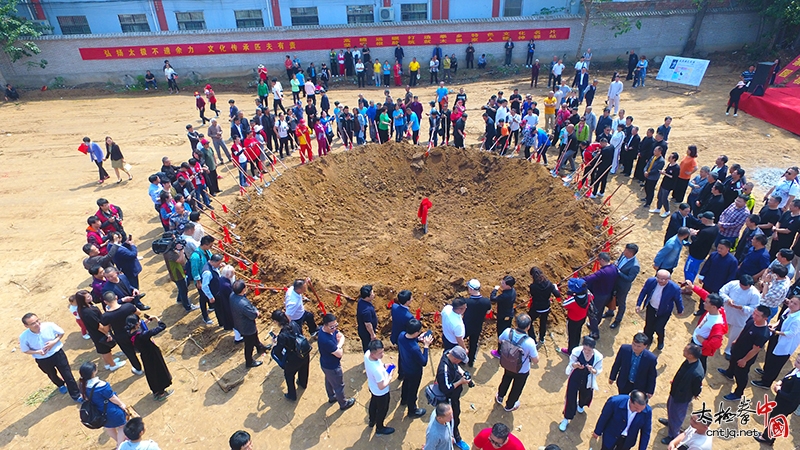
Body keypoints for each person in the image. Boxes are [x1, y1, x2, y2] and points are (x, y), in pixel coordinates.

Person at [19, 313, 82, 402]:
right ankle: (60, 384)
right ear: (26, 326)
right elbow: (25, 350)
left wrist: (54, 342)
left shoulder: (49, 326)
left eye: (37, 321)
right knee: (52, 374)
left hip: (57, 354)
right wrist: (37, 352)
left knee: (67, 374)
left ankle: (76, 395)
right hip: (42, 359)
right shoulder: (24, 337)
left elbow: (61, 333)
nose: (37, 324)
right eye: (33, 323)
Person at [717, 305, 772, 401]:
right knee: (732, 362)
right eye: (754, 313)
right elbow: (744, 330)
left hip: (745, 357)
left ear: (765, 318)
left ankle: (738, 394)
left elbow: (755, 349)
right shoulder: (751, 319)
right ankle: (729, 373)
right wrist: (736, 340)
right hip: (737, 349)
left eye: (757, 315)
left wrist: (744, 360)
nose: (754, 316)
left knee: (741, 375)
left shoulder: (763, 334)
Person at [659, 344, 705, 444]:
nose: (683, 351)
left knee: (677, 416)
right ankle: (670, 422)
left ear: (691, 355)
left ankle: (673, 436)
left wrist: (696, 394)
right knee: (671, 409)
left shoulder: (697, 373)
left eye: (685, 351)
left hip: (682, 398)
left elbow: (696, 388)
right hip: (675, 391)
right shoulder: (689, 361)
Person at [752, 296, 800, 388]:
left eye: (795, 304)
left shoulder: (798, 319)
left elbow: (791, 333)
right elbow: (780, 320)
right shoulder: (788, 310)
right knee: (770, 355)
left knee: (776, 363)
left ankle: (766, 382)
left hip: (785, 343)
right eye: (791, 301)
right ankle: (765, 372)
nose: (791, 304)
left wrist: (776, 332)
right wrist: (774, 325)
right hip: (776, 336)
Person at [78, 361, 129, 446]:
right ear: (93, 372)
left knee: (109, 428)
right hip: (112, 411)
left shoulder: (82, 385)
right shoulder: (101, 385)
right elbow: (112, 397)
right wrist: (121, 404)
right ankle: (120, 445)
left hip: (99, 413)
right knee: (122, 426)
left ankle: (118, 442)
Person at [495, 313, 538, 412]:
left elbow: (499, 340)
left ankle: (500, 397)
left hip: (508, 364)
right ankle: (509, 405)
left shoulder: (507, 332)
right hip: (522, 370)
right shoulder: (530, 342)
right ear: (528, 327)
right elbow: (535, 361)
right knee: (517, 388)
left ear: (516, 323)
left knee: (506, 379)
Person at [75, 290, 126, 371]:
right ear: (82, 300)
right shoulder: (87, 312)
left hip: (96, 333)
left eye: (89, 295)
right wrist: (107, 333)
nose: (90, 297)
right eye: (87, 297)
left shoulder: (85, 307)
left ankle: (108, 363)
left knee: (103, 350)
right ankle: (112, 365)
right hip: (99, 333)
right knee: (105, 350)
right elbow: (98, 325)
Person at [560, 335, 603, 431]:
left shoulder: (598, 357)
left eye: (589, 350)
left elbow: (598, 371)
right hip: (575, 377)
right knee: (570, 397)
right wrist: (575, 365)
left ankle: (581, 405)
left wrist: (592, 370)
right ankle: (566, 418)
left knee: (586, 395)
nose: (586, 351)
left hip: (588, 379)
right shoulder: (576, 351)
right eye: (585, 349)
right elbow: (571, 364)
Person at [754, 356, 800, 445]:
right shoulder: (796, 369)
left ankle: (767, 438)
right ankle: (768, 436)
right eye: (798, 359)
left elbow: (791, 398)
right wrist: (780, 382)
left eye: (799, 362)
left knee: (775, 420)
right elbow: (788, 377)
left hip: (786, 405)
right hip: (781, 401)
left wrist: (778, 390)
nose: (797, 362)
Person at [127, 314, 173, 400]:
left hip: (145, 356)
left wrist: (145, 323)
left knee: (151, 373)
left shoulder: (130, 334)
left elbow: (139, 332)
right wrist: (157, 319)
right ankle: (161, 393)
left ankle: (156, 391)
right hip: (153, 354)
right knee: (159, 371)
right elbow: (162, 326)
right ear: (137, 324)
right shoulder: (143, 335)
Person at [636, 269, 684, 350]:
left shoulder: (674, 288)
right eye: (658, 278)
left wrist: (680, 310)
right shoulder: (651, 281)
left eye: (663, 279)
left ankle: (660, 341)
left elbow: (678, 300)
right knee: (648, 326)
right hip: (651, 308)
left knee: (659, 328)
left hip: (664, 311)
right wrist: (638, 304)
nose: (660, 281)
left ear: (669, 279)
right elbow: (643, 292)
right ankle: (648, 340)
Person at [436, 346, 472, 450]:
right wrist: (461, 382)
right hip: (449, 398)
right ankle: (455, 438)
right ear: (456, 359)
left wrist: (462, 373)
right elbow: (446, 388)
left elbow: (456, 367)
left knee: (456, 415)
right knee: (453, 419)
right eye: (460, 361)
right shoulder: (444, 370)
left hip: (455, 396)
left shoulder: (448, 353)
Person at [229, 280, 268, 368]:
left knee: (255, 335)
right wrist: (256, 312)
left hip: (239, 322)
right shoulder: (243, 304)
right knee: (249, 344)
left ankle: (260, 347)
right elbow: (253, 315)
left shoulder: (232, 296)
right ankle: (249, 362)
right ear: (243, 290)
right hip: (247, 326)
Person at [398, 319, 432, 418]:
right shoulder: (415, 349)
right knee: (413, 390)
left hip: (405, 366)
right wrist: (426, 346)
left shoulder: (401, 335)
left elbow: (409, 340)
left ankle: (403, 399)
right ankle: (412, 410)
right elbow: (423, 362)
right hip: (414, 372)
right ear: (416, 332)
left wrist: (418, 339)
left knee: (406, 383)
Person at [688, 292, 728, 372]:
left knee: (699, 365)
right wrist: (693, 287)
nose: (704, 303)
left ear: (713, 307)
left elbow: (716, 344)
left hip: (700, 346)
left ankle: (698, 383)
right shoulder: (714, 310)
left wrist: (703, 342)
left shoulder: (717, 324)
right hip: (696, 342)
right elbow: (704, 294)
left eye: (706, 302)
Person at [609, 332, 657, 397]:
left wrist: (650, 391)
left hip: (639, 386)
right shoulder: (624, 349)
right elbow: (617, 364)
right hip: (624, 382)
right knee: (623, 397)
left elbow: (652, 376)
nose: (635, 348)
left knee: (635, 402)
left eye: (638, 346)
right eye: (634, 344)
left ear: (645, 346)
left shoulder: (651, 359)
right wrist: (612, 377)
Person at [583, 252, 618, 339]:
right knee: (600, 311)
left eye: (599, 260)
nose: (598, 262)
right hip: (607, 294)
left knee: (592, 313)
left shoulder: (602, 272)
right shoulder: (614, 268)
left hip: (599, 295)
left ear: (602, 260)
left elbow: (589, 279)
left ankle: (595, 333)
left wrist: (579, 280)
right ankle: (594, 326)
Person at [364, 339, 395, 435]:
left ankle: (371, 421)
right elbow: (381, 386)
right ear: (373, 354)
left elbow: (378, 364)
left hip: (372, 387)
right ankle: (380, 428)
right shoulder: (377, 370)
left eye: (382, 351)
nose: (382, 355)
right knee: (382, 409)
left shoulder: (367, 354)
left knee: (373, 403)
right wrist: (389, 377)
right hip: (381, 392)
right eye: (380, 353)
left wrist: (384, 365)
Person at [527, 267, 561, 346]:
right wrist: (555, 287)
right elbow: (557, 294)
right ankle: (542, 338)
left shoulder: (533, 286)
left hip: (536, 308)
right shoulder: (549, 284)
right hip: (546, 307)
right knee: (543, 322)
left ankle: (533, 339)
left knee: (529, 321)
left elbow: (533, 295)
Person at [610, 243, 641, 329]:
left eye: (626, 250)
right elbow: (618, 261)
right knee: (612, 296)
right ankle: (610, 311)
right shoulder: (623, 255)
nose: (624, 251)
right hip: (615, 282)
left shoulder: (635, 266)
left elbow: (629, 279)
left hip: (623, 286)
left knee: (621, 303)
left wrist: (618, 272)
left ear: (631, 253)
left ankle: (618, 320)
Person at [560, 278, 593, 354]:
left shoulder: (573, 300)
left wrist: (569, 296)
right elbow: (592, 297)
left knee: (571, 336)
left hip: (573, 320)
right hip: (583, 317)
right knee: (578, 332)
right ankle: (576, 346)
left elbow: (564, 304)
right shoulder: (588, 294)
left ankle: (570, 351)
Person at [462, 280, 490, 365]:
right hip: (478, 326)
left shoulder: (466, 302)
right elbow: (488, 312)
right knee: (473, 343)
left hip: (466, 326)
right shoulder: (486, 301)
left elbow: (461, 312)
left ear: (470, 289)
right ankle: (471, 361)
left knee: (459, 341)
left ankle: (461, 359)